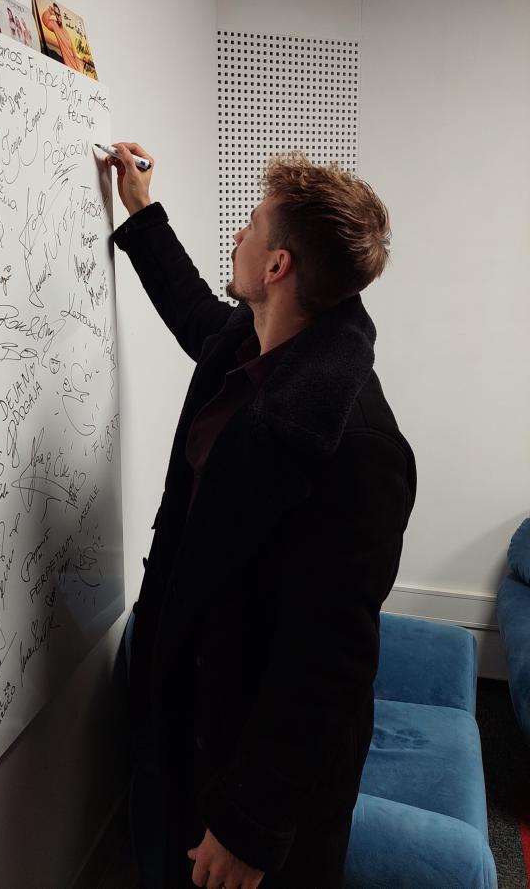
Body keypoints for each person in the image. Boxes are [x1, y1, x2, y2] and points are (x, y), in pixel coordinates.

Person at [106, 143, 417, 889]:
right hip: (186, 717)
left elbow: (327, 665)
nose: (238, 236)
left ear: (277, 267)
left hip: (246, 771)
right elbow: (192, 310)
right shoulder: (250, 346)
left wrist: (249, 827)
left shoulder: (358, 447)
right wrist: (141, 209)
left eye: (250, 225)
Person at [41, 2, 83, 73]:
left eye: (59, 14)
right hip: (67, 69)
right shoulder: (54, 24)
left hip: (76, 68)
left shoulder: (66, 32)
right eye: (56, 14)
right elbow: (45, 21)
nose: (58, 17)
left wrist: (79, 68)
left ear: (61, 15)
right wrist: (49, 11)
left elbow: (74, 52)